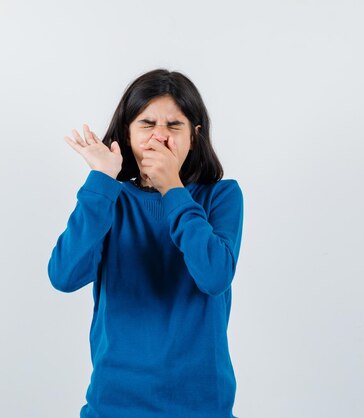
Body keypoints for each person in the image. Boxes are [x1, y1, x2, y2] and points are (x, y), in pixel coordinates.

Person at [47, 68, 244, 418]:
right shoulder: (111, 198)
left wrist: (173, 190)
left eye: (174, 126)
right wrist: (101, 181)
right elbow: (64, 276)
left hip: (202, 406)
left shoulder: (221, 197)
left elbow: (214, 276)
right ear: (127, 133)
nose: (160, 137)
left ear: (194, 136)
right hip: (114, 404)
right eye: (147, 124)